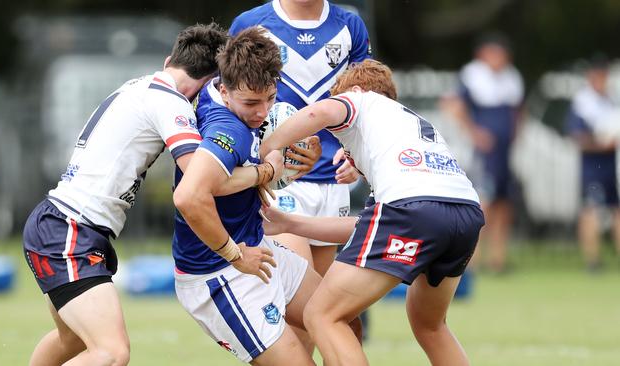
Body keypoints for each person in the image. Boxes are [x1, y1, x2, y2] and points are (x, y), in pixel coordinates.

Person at [21, 23, 279, 366]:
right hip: (70, 230)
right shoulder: (173, 104)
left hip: (64, 222)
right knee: (111, 353)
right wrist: (268, 170)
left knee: (71, 339)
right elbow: (205, 182)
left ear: (170, 59)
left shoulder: (142, 84)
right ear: (212, 83)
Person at [260, 59, 485, 366]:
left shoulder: (359, 99)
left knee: (322, 314)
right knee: (430, 325)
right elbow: (366, 230)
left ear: (354, 91)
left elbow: (317, 112)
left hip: (413, 211)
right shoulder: (406, 127)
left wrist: (265, 148)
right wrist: (291, 223)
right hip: (466, 214)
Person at [172, 27, 356, 365]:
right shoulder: (228, 129)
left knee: (339, 321)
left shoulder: (233, 93)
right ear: (225, 90)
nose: (262, 111)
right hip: (221, 273)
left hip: (258, 249)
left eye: (270, 98)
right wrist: (234, 255)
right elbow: (188, 196)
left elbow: (258, 159)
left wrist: (299, 153)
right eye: (251, 103)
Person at [229, 0, 371, 277]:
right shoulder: (250, 23)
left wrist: (358, 159)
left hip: (334, 182)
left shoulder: (350, 25)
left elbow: (367, 104)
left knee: (322, 307)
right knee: (299, 297)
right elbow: (228, 101)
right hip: (277, 182)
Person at [441, 33, 523, 274]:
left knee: (503, 203)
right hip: (483, 152)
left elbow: (517, 109)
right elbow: (454, 105)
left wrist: (515, 133)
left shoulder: (511, 77)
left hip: (504, 151)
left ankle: (498, 259)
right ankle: (472, 260)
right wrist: (475, 133)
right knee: (483, 202)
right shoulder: (472, 75)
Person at [565, 56, 620, 272]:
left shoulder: (612, 100)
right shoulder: (582, 102)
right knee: (591, 210)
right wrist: (602, 143)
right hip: (593, 166)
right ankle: (592, 260)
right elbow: (576, 137)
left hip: (612, 164)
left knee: (616, 209)